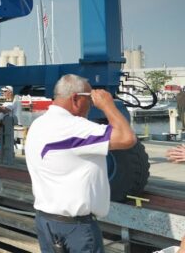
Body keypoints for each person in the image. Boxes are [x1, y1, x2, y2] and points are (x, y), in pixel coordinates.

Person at [25, 74, 136, 253]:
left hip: (45, 222)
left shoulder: (37, 125)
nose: (91, 106)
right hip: (75, 229)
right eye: (90, 100)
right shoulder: (75, 128)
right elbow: (127, 138)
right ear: (76, 99)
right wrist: (108, 105)